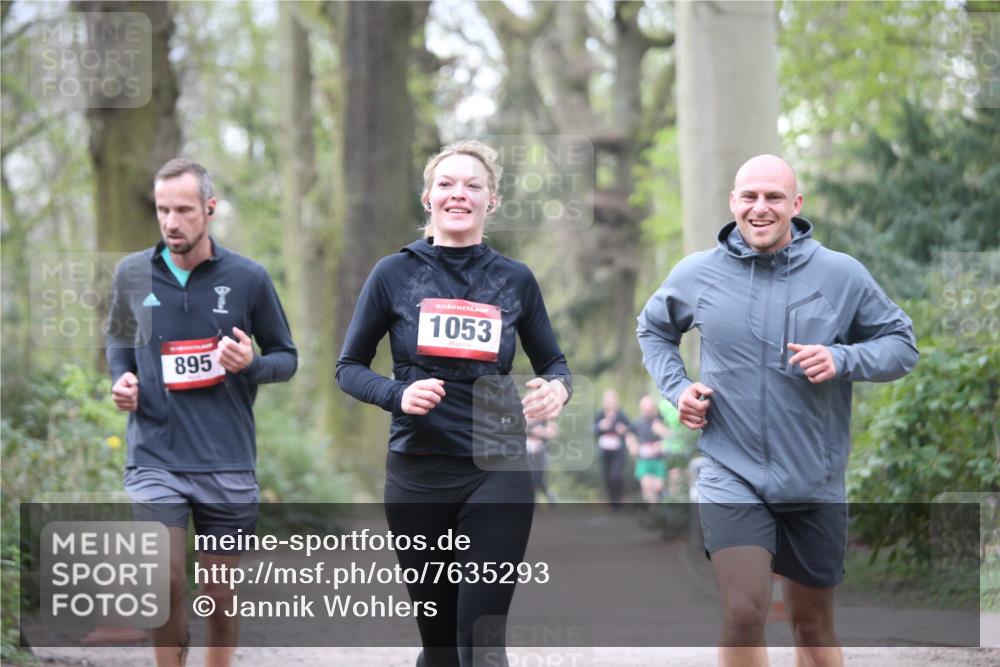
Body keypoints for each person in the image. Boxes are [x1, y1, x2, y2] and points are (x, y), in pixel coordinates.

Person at [636, 155, 918, 667]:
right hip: (730, 470)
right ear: (733, 203)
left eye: (773, 197)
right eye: (749, 197)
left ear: (796, 204)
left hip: (814, 478)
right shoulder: (697, 274)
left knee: (812, 627)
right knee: (744, 610)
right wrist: (678, 388)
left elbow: (902, 345)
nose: (760, 208)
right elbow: (653, 329)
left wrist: (842, 356)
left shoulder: (840, 274)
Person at [336, 140, 572, 667]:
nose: (458, 194)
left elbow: (554, 362)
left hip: (498, 466)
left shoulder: (515, 280)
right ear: (428, 197)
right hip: (417, 472)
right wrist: (398, 394)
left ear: (492, 200)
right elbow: (347, 368)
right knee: (441, 646)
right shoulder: (393, 274)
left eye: (472, 185)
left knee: (482, 640)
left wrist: (558, 388)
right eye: (446, 184)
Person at [105, 158, 298, 667]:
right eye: (164, 210)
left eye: (184, 210)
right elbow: (119, 344)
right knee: (163, 576)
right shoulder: (131, 273)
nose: (171, 222)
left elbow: (287, 359)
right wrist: (120, 380)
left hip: (226, 460)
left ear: (209, 210)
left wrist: (252, 363)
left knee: (219, 594)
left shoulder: (249, 278)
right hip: (155, 455)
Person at [626, 395, 669, 505]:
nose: (647, 410)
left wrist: (661, 441)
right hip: (644, 460)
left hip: (659, 459)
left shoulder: (661, 420)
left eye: (650, 408)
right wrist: (632, 446)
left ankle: (662, 505)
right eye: (645, 408)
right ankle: (652, 512)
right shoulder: (637, 422)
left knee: (658, 487)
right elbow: (629, 435)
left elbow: (671, 436)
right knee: (646, 485)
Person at [593, 389, 630, 510]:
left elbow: (630, 428)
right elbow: (593, 430)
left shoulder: (621, 414)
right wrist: (600, 426)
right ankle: (613, 502)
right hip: (604, 451)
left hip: (618, 451)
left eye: (612, 400)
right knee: (606, 477)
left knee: (616, 476)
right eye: (607, 400)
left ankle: (619, 499)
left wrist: (623, 429)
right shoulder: (600, 414)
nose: (610, 402)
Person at [526, 419, 558, 504]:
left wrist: (539, 431)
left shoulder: (545, 419)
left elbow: (552, 433)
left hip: (540, 455)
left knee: (540, 482)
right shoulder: (523, 416)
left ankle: (551, 501)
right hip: (527, 455)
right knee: (529, 480)